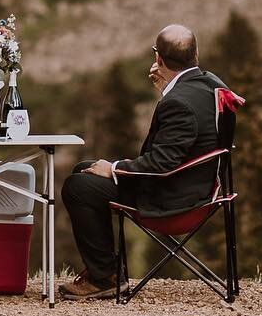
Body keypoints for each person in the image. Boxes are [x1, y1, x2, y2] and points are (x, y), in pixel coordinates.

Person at [59, 23, 227, 301]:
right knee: (85, 169)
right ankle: (105, 272)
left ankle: (106, 278)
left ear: (158, 58)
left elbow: (161, 164)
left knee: (78, 186)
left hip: (175, 200)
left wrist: (113, 168)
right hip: (195, 185)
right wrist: (167, 91)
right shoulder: (209, 84)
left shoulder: (179, 103)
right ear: (195, 54)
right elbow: (185, 136)